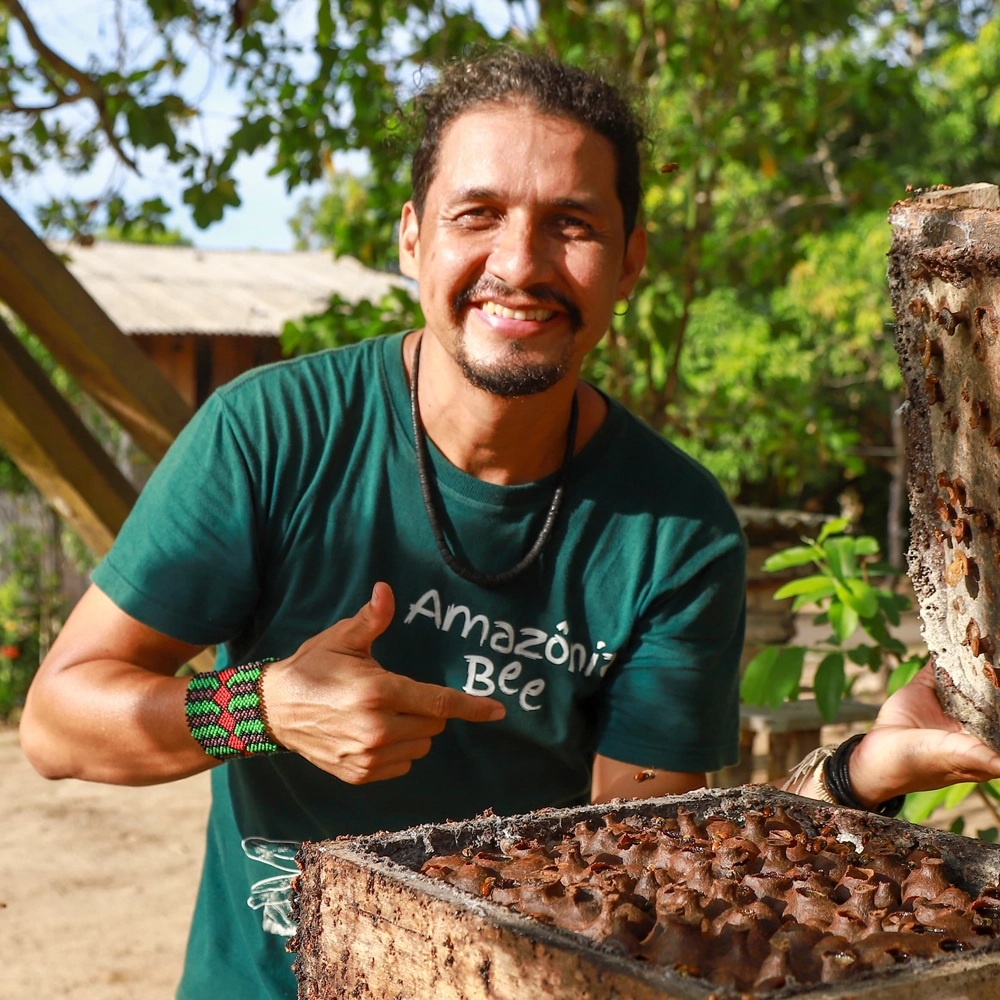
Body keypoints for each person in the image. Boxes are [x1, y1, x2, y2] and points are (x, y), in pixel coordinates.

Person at [19, 49, 1000, 1000]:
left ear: (629, 262)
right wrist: (260, 707)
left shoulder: (672, 528)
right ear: (413, 237)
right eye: (476, 215)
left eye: (570, 223)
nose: (519, 265)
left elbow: (653, 869)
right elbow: (60, 721)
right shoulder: (272, 432)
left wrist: (858, 776)